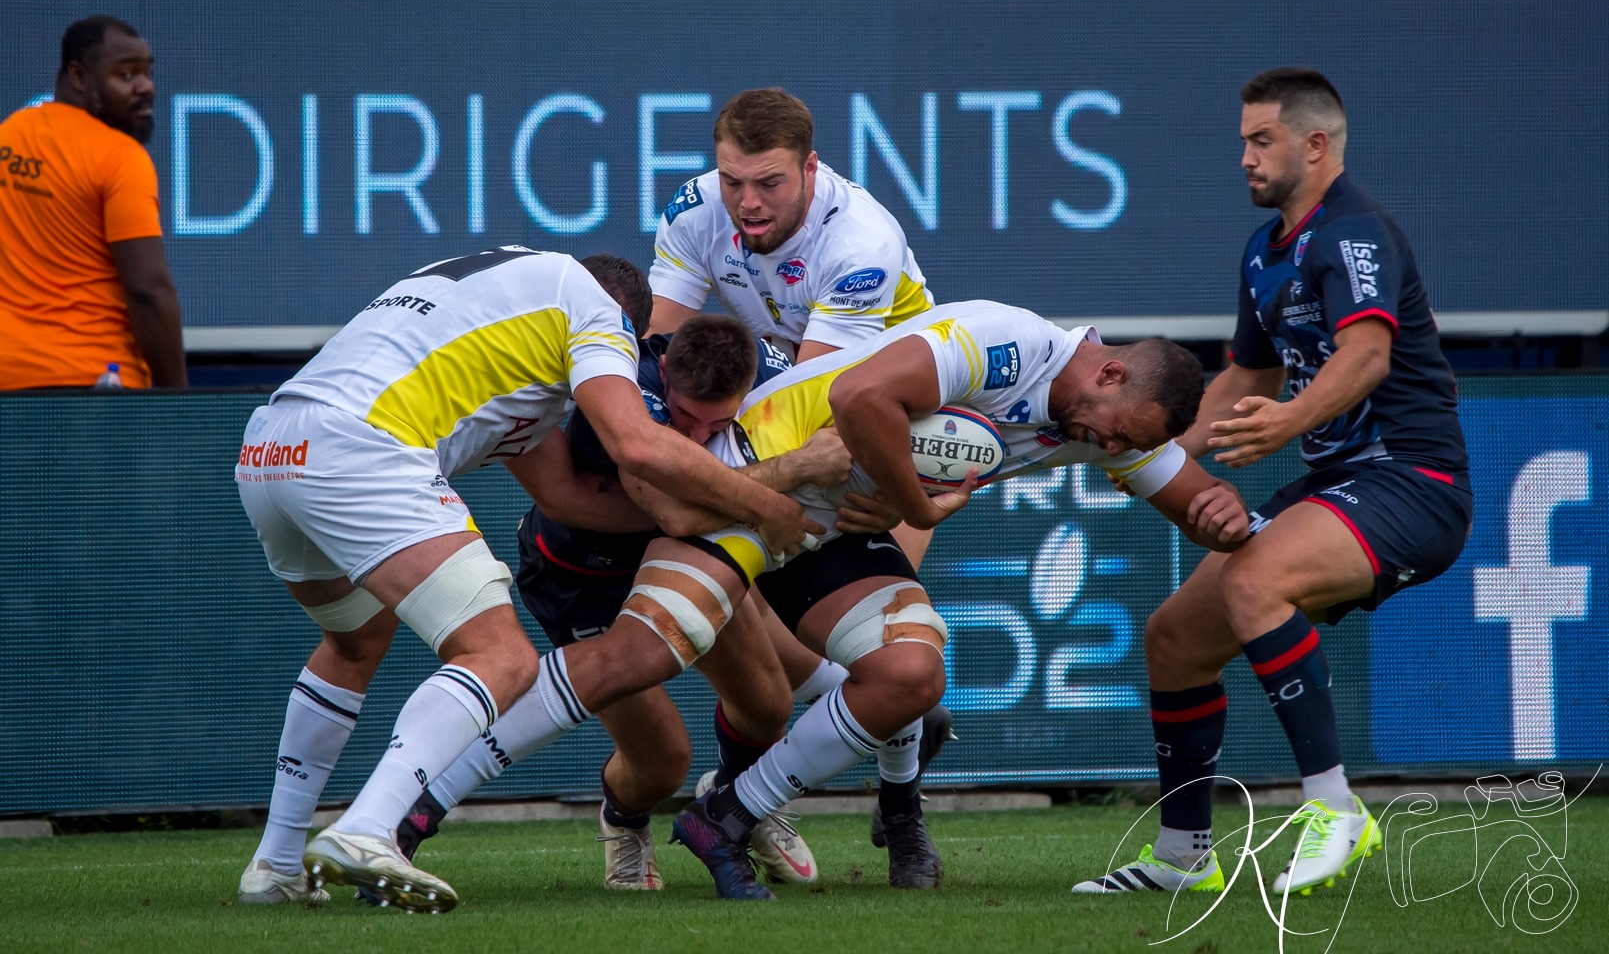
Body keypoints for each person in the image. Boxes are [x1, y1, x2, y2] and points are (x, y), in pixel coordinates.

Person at [416, 299, 1245, 902]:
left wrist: (1232, 517)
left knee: (912, 672)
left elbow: (1180, 487)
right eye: (1111, 430)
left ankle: (726, 817)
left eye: (1119, 446)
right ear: (1106, 370)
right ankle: (422, 800)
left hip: (835, 523)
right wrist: (913, 505)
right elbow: (857, 400)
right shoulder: (1009, 344)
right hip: (760, 471)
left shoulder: (1096, 417)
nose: (1106, 449)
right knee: (645, 651)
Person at [233, 247, 813, 912]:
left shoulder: (513, 339)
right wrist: (770, 504)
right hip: (363, 447)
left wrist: (692, 510)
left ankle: (275, 864)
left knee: (353, 645)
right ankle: (368, 826)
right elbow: (639, 445)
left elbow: (569, 497)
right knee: (499, 655)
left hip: (273, 448)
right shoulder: (594, 307)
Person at [1072, 68, 1472, 897]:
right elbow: (1242, 377)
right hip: (1341, 483)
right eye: (1243, 142)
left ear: (1315, 144)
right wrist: (1155, 455)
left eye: (1262, 141)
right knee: (1173, 638)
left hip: (1413, 480)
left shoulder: (1353, 231)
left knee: (1255, 577)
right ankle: (1183, 854)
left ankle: (1336, 811)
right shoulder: (1264, 250)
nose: (1246, 158)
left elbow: (1366, 354)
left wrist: (1287, 423)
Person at [377, 311, 849, 893]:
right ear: (667, 369)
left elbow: (850, 415)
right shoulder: (623, 389)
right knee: (660, 761)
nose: (698, 437)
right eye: (685, 418)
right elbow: (678, 510)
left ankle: (734, 805)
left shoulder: (775, 367)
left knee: (767, 705)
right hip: (584, 573)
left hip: (685, 554)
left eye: (717, 423)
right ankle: (622, 820)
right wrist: (799, 468)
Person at [650, 86, 951, 840]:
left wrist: (707, 483)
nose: (746, 203)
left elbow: (815, 407)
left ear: (811, 169)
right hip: (787, 415)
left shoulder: (860, 246)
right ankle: (846, 747)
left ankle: (899, 805)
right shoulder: (693, 208)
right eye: (731, 180)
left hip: (887, 433)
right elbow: (662, 355)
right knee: (824, 649)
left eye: (769, 183)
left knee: (889, 645)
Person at [0, 16, 186, 390]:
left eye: (147, 73)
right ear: (79, 77)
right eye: (126, 75)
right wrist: (178, 404)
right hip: (94, 390)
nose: (146, 87)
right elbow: (149, 290)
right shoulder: (120, 157)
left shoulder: (8, 135)